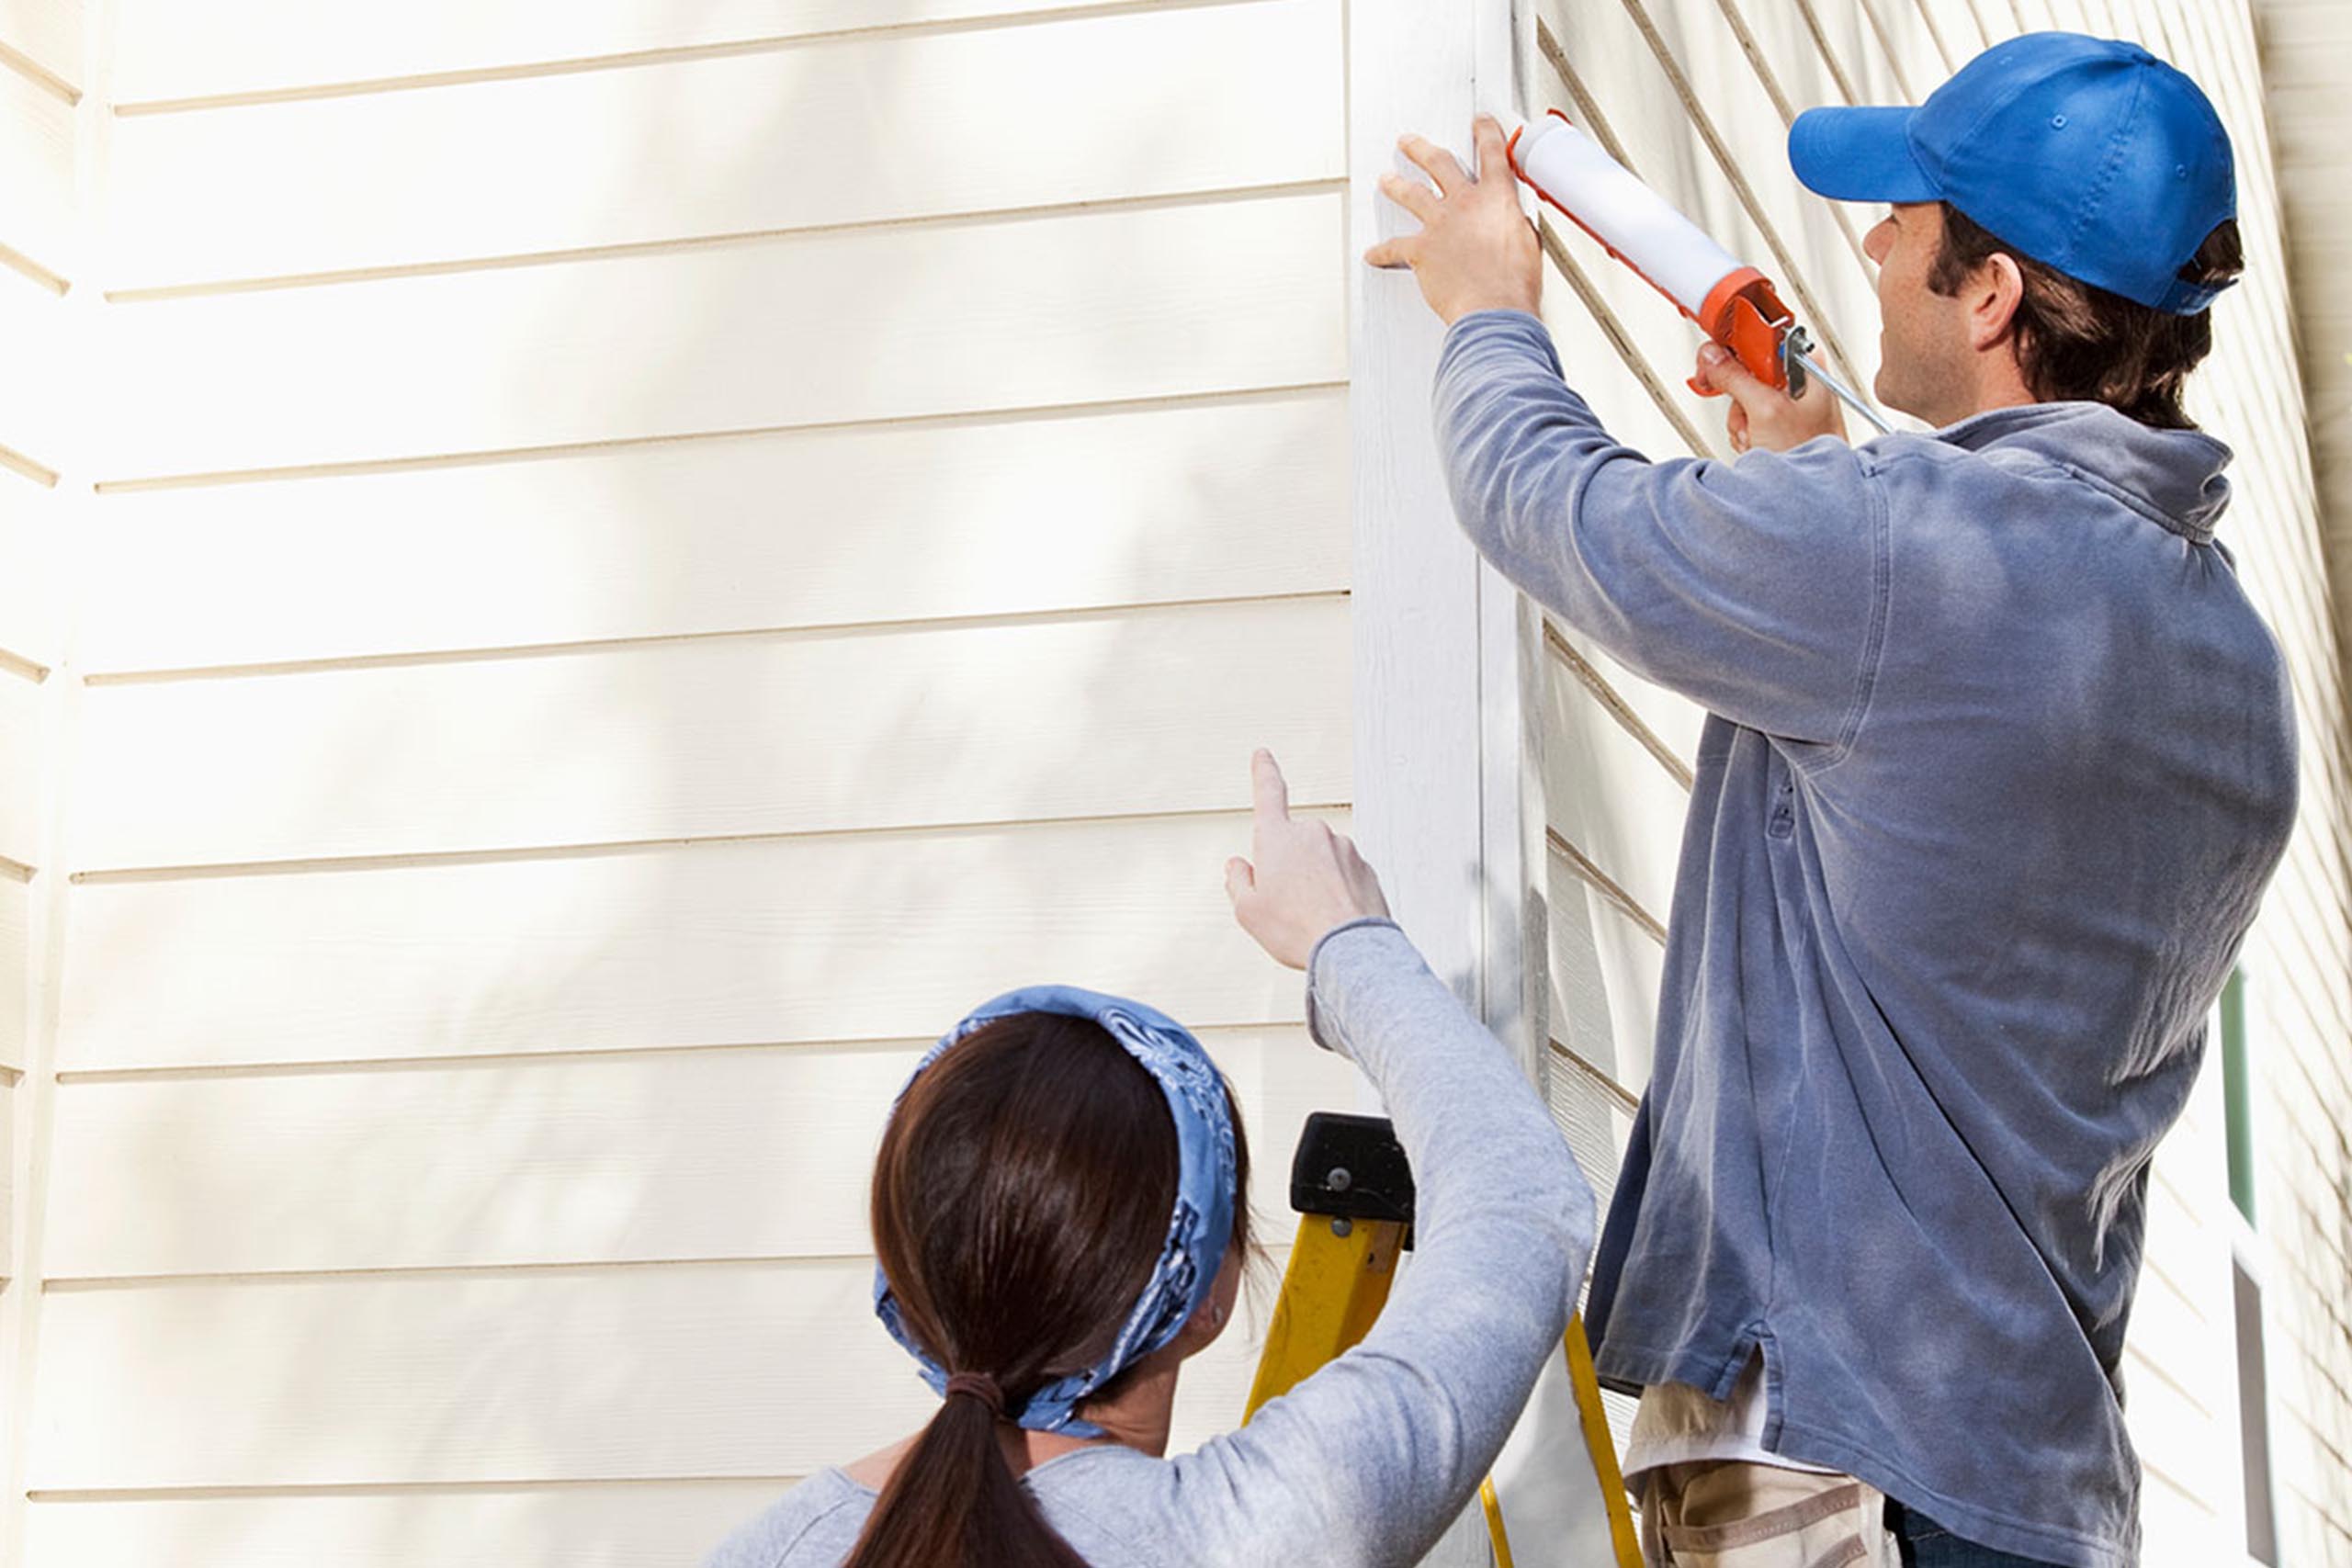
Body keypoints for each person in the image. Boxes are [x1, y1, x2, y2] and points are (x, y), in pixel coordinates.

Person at [1365, 31, 2297, 1568]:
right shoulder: (2233, 664)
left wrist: (1489, 312)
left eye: (1906, 219)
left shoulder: (1899, 554)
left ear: (1990, 294)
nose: (1869, 242)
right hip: (2037, 1486)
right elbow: (1955, 790)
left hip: (1840, 1465)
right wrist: (1805, 472)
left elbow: (1545, 501)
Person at [703, 750, 1597, 1567]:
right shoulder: (1257, 1527)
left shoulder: (764, 1552)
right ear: (1204, 1296)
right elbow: (1517, 1204)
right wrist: (1345, 939)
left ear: (907, 1279)